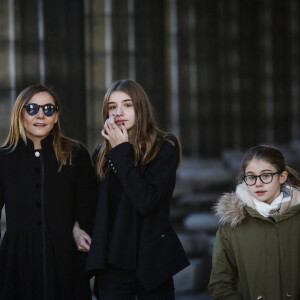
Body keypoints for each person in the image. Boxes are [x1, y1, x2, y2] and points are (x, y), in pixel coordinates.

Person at [84, 79, 189, 299]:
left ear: (140, 107)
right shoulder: (101, 154)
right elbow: (92, 206)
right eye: (113, 107)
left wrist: (121, 151)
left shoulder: (165, 147)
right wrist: (77, 228)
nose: (119, 112)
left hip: (152, 263)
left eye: (127, 104)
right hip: (112, 264)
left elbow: (145, 201)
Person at [0, 84, 96, 300]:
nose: (40, 115)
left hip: (64, 259)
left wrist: (78, 228)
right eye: (32, 108)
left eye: (48, 109)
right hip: (17, 261)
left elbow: (88, 207)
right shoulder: (3, 158)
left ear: (56, 116)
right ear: (20, 113)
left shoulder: (77, 154)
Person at [208, 145, 300, 299]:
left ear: (282, 177)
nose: (258, 183)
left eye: (265, 175)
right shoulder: (232, 225)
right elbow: (220, 283)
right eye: (251, 177)